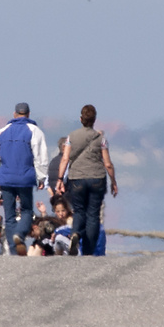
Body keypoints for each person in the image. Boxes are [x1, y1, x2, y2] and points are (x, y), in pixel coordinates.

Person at [0, 102, 48, 254]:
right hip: (25, 178)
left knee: (9, 216)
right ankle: (19, 235)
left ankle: (14, 252)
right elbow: (41, 157)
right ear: (28, 114)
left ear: (14, 114)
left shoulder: (0, 132)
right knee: (26, 210)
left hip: (5, 179)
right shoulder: (34, 131)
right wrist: (41, 177)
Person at [56, 104, 116, 256]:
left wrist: (59, 179)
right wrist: (113, 182)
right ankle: (88, 250)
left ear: (81, 119)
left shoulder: (71, 137)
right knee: (93, 214)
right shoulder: (101, 138)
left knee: (79, 211)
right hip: (97, 178)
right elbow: (107, 163)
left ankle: (76, 232)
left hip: (76, 178)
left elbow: (65, 159)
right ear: (94, 120)